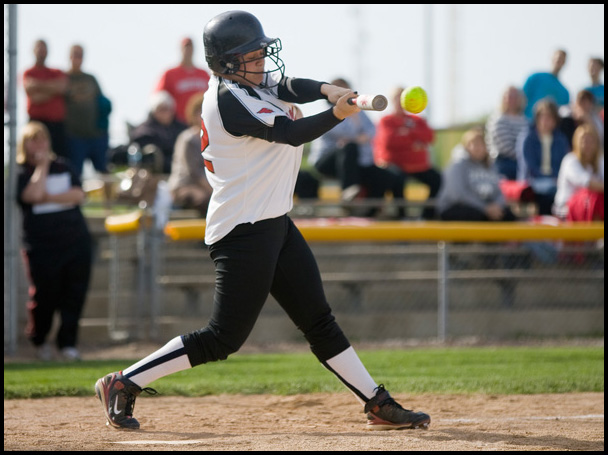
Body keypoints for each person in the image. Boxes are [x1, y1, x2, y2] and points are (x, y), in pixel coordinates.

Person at [94, 10, 430, 432]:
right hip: (242, 230)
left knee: (318, 320)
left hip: (274, 221)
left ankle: (376, 402)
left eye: (259, 52)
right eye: (250, 55)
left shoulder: (249, 83)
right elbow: (290, 134)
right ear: (226, 64)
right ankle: (123, 382)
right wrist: (337, 114)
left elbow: (291, 85)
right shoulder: (227, 100)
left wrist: (330, 91)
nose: (261, 61)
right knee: (222, 338)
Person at [16, 121, 93, 361]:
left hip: (75, 241)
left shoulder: (64, 166)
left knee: (74, 294)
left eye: (43, 139)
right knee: (45, 296)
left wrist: (48, 196)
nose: (39, 144)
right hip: (42, 246)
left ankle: (67, 344)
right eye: (33, 140)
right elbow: (31, 195)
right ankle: (40, 340)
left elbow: (78, 194)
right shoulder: (21, 172)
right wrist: (42, 167)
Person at [309, 78, 406, 217]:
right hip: (326, 162)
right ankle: (348, 192)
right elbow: (340, 132)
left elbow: (372, 131)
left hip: (353, 164)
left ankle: (372, 213)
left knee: (389, 176)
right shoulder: (327, 111)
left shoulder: (358, 111)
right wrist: (357, 133)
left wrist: (356, 130)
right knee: (350, 147)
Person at [373, 86, 441, 219]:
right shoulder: (386, 120)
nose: (399, 101)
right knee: (397, 179)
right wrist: (414, 141)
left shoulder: (417, 120)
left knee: (437, 179)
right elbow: (389, 141)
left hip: (417, 166)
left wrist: (406, 133)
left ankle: (426, 217)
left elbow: (430, 137)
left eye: (402, 97)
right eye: (396, 97)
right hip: (393, 165)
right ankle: (402, 216)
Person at [437, 127, 516, 221]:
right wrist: (485, 208)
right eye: (473, 144)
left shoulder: (491, 166)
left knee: (508, 215)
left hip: (484, 207)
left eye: (481, 144)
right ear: (466, 146)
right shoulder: (458, 165)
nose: (477, 147)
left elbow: (499, 192)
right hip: (455, 207)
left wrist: (496, 206)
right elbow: (459, 195)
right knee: (476, 216)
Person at [516, 99, 570, 215]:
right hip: (532, 182)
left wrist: (556, 179)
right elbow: (529, 167)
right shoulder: (527, 138)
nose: (546, 121)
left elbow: (564, 164)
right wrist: (550, 179)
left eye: (549, 117)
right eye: (543, 117)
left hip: (556, 182)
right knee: (548, 196)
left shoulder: (561, 139)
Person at [64, 44, 111, 176]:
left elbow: (102, 101)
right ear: (69, 56)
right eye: (75, 54)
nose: (77, 58)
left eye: (80, 54)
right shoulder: (63, 78)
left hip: (96, 135)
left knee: (104, 173)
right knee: (75, 174)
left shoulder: (90, 79)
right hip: (75, 136)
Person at [167, 92, 212, 216]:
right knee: (207, 200)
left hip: (205, 185)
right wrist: (214, 191)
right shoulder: (188, 139)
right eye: (200, 112)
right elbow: (194, 173)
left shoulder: (212, 139)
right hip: (184, 186)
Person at [22, 39, 69, 158]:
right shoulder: (28, 73)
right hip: (36, 122)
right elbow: (34, 97)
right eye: (39, 49)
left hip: (56, 124)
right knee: (33, 157)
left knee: (59, 157)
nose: (41, 52)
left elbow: (62, 88)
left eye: (44, 49)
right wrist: (52, 90)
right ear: (33, 51)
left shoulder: (57, 72)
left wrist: (39, 86)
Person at [553, 124, 604, 221]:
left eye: (591, 141)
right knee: (594, 199)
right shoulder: (570, 160)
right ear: (576, 142)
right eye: (584, 140)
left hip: (588, 208)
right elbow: (588, 184)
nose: (587, 144)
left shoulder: (600, 161)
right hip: (565, 209)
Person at [129, 90, 187, 174]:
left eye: (167, 109)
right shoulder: (145, 132)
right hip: (156, 173)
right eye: (161, 109)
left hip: (182, 168)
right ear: (154, 111)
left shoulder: (181, 128)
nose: (165, 113)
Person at [155, 37, 211, 124]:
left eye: (190, 46)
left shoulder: (203, 74)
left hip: (201, 121)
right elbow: (158, 99)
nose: (188, 50)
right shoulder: (170, 74)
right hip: (178, 122)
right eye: (186, 47)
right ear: (181, 49)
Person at [485, 86, 530, 180]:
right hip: (504, 163)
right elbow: (506, 148)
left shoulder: (525, 120)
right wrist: (525, 156)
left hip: (523, 161)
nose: (511, 99)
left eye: (514, 96)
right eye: (508, 96)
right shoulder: (498, 120)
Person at [522, 49, 570, 120]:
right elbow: (521, 98)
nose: (558, 61)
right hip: (527, 122)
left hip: (547, 129)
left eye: (562, 59)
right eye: (557, 58)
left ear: (564, 63)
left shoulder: (565, 93)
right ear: (551, 58)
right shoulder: (535, 78)